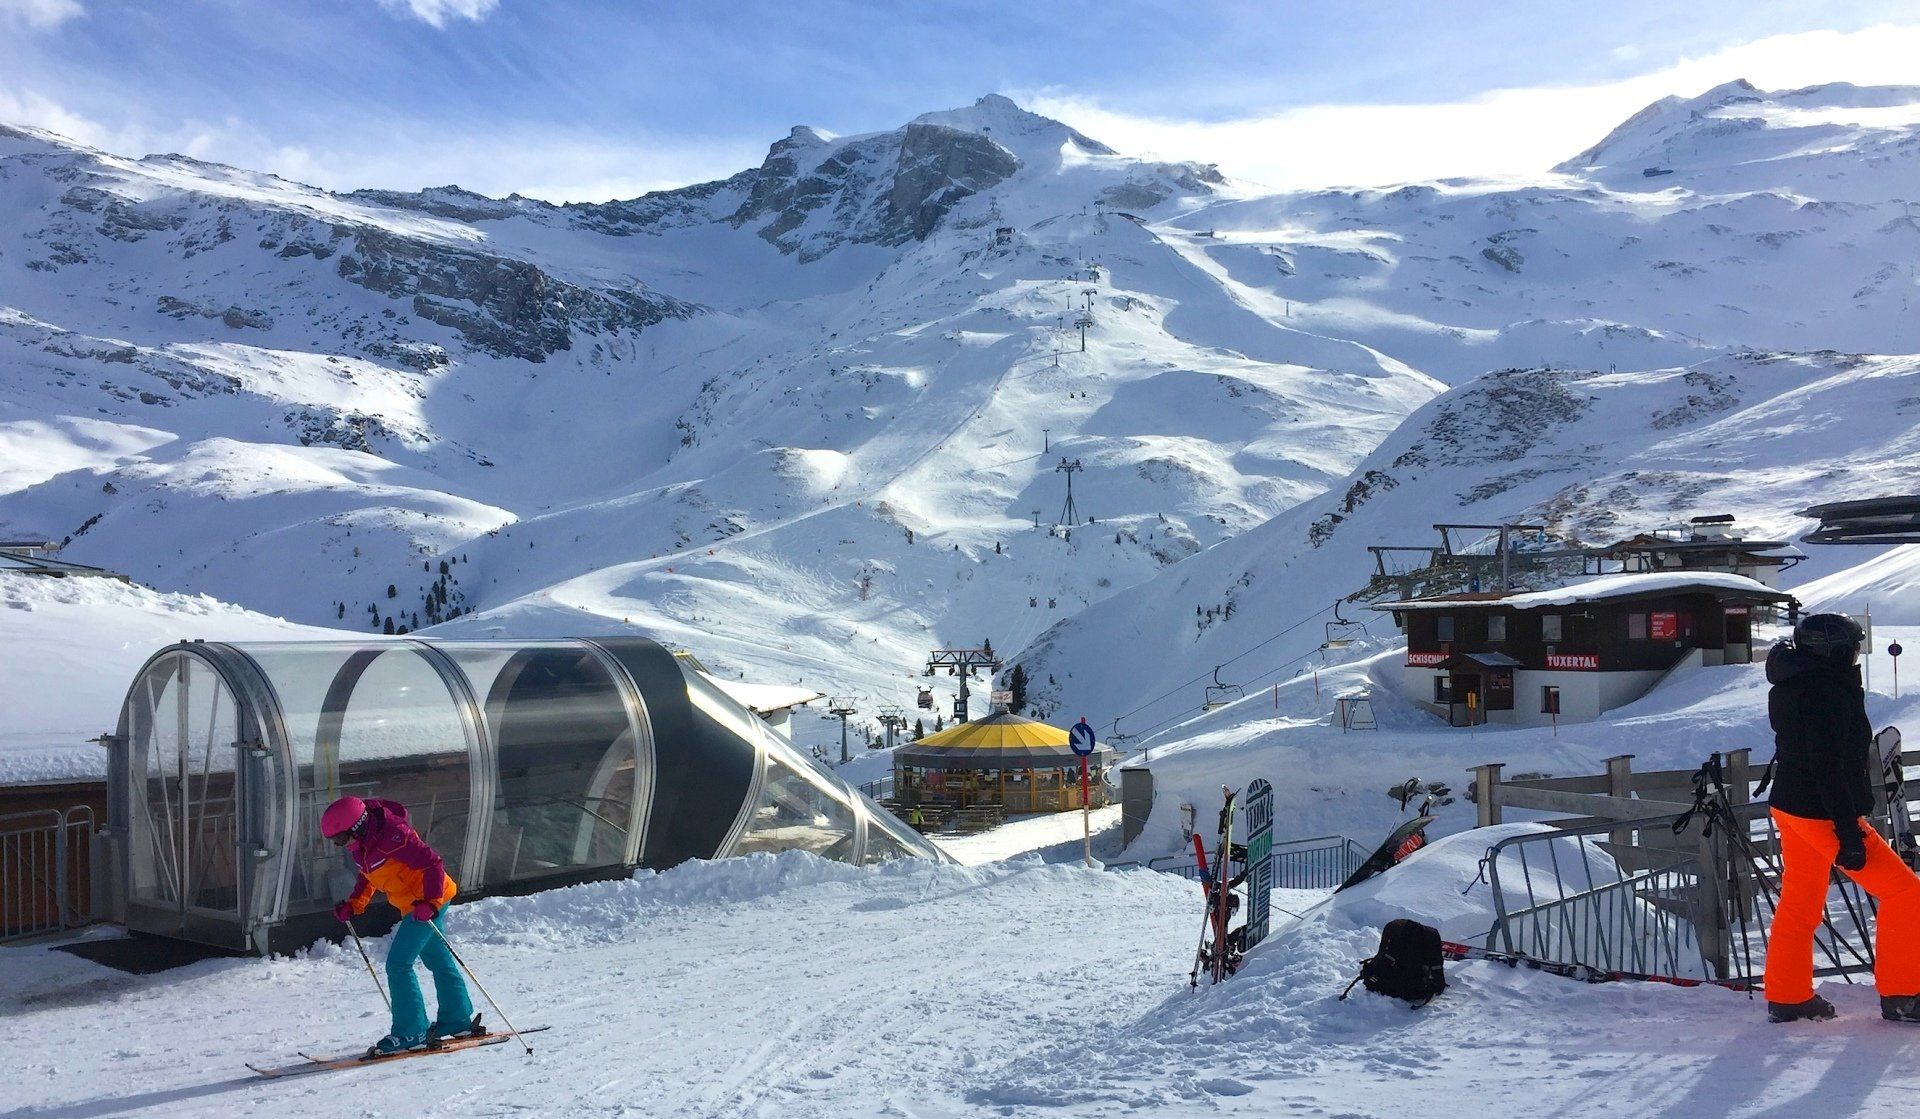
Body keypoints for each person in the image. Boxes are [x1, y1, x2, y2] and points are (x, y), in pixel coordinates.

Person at [1765, 613, 1920, 1024]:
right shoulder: (1826, 691)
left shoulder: (1792, 680)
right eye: (1851, 646)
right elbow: (1827, 765)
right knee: (1906, 893)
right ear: (1830, 650)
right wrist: (1849, 833)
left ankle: (1787, 995)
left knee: (1800, 901)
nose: (1855, 655)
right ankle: (1903, 993)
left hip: (1791, 806)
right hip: (1823, 813)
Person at [320, 795, 477, 1054]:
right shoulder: (362, 844)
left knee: (398, 964)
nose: (340, 845)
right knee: (437, 958)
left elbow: (432, 863)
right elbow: (369, 875)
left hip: (428, 902)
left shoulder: (395, 836)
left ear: (357, 826)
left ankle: (411, 1032)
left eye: (340, 839)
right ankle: (457, 1020)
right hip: (413, 905)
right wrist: (354, 904)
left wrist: (431, 902)